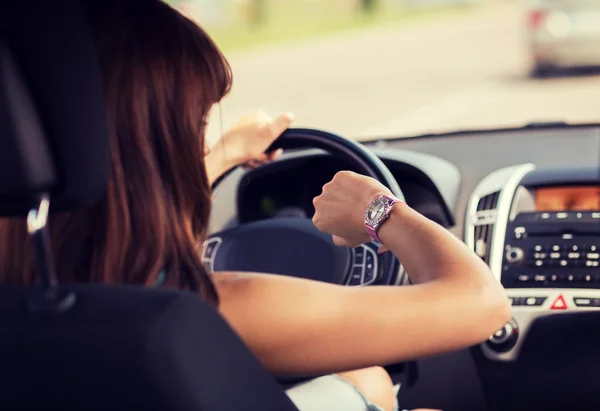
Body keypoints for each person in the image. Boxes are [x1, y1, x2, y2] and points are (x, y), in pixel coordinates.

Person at [0, 1, 511, 411]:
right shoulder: (202, 311)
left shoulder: (30, 298)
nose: (201, 143)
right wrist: (380, 210)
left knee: (367, 380)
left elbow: (118, 203)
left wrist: (221, 155)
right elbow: (480, 304)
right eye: (197, 128)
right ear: (150, 149)